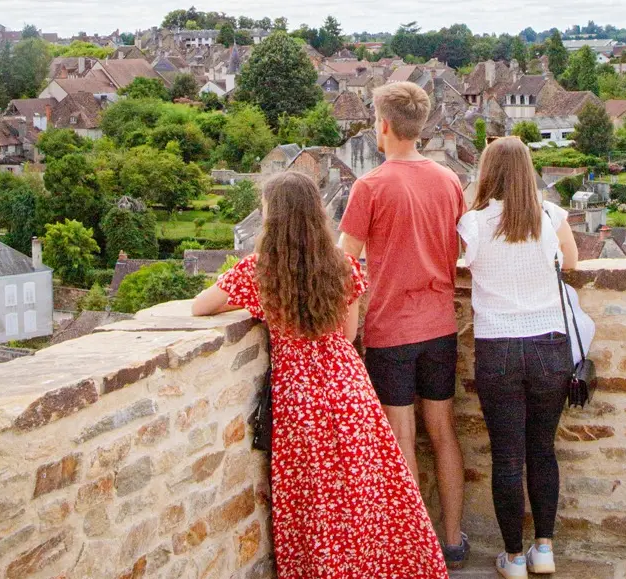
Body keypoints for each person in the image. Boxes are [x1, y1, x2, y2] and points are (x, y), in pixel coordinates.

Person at [192, 171, 449, 579]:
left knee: (315, 497)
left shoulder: (259, 271)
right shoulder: (342, 265)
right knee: (365, 490)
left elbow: (201, 307)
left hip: (299, 395)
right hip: (348, 387)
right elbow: (347, 335)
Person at [338, 81, 469, 569]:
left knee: (402, 440)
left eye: (375, 119)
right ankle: (452, 541)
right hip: (440, 327)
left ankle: (416, 552)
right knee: (444, 432)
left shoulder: (370, 186)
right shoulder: (449, 180)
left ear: (385, 125)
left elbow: (345, 262)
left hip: (392, 329)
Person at [457, 137, 578, 578]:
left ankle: (511, 556)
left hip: (499, 345)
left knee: (507, 456)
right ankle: (543, 547)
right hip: (549, 341)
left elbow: (463, 263)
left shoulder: (473, 223)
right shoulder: (550, 215)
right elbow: (571, 261)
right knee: (542, 450)